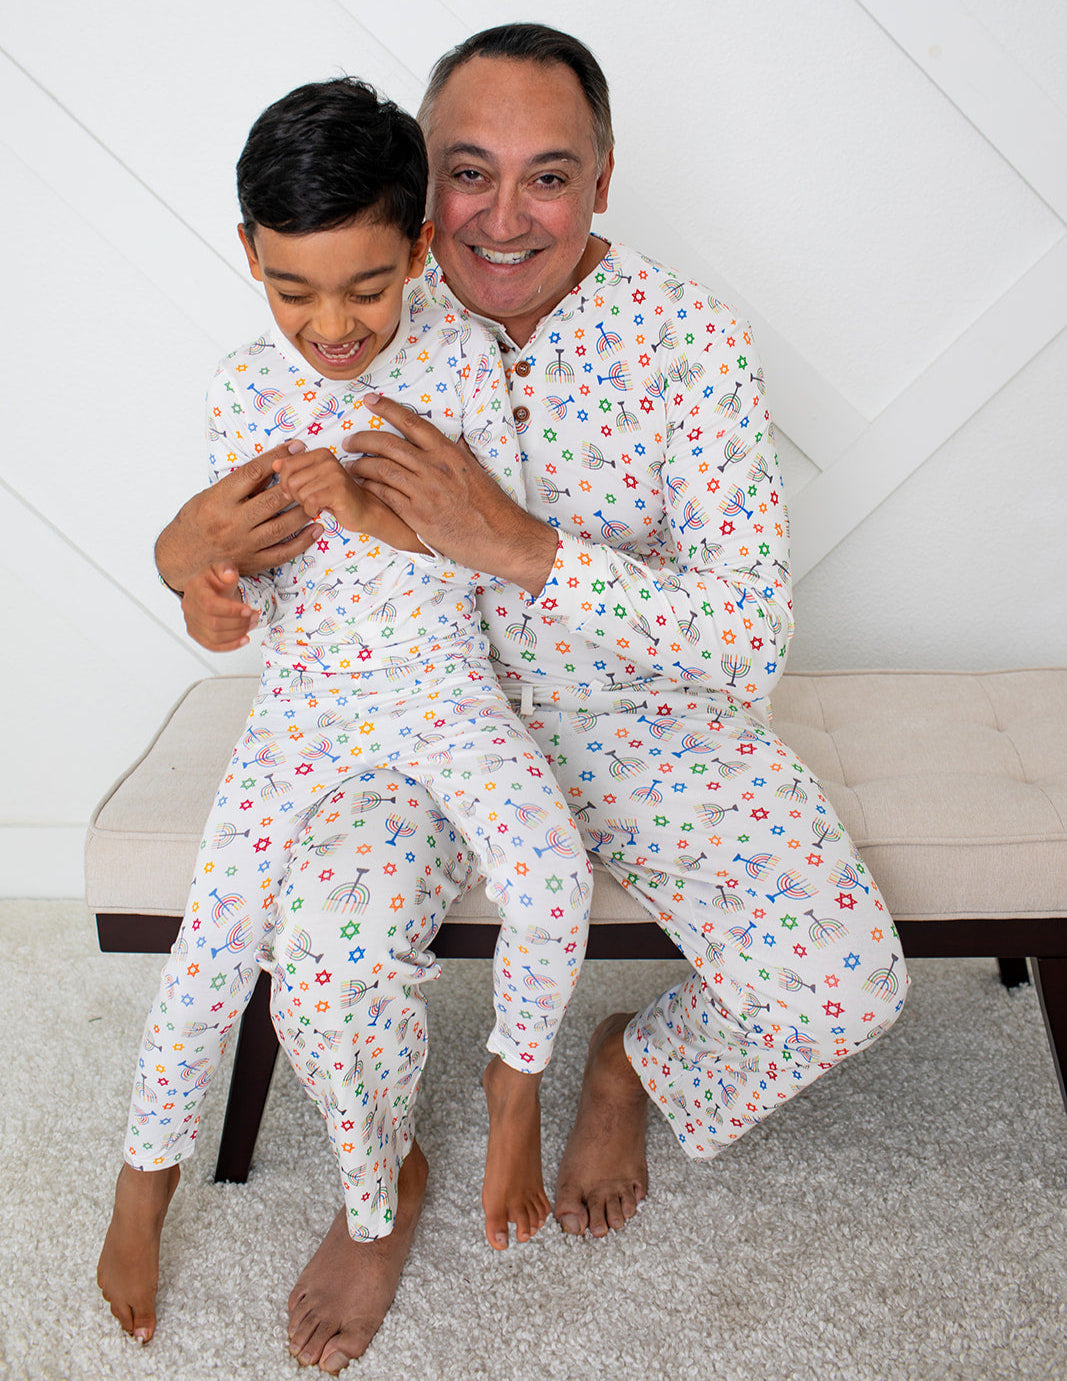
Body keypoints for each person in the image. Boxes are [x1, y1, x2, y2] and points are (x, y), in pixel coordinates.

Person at [151, 23, 909, 1373]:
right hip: (415, 723)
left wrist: (519, 545)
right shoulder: (353, 317)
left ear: (605, 179)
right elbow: (249, 578)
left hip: (646, 722)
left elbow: (747, 637)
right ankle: (378, 1182)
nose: (504, 217)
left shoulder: (691, 342)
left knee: (845, 981)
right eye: (467, 173)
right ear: (411, 182)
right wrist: (203, 576)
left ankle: (631, 1064)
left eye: (547, 176)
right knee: (320, 953)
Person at [97, 75, 595, 1364]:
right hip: (307, 708)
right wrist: (214, 603)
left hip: (445, 697)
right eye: (293, 291)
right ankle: (142, 1180)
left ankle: (510, 1086)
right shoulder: (241, 392)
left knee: (551, 880)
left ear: (419, 247)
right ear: (250, 254)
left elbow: (497, 565)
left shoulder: (464, 362)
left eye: (366, 288)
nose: (332, 327)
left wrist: (383, 517)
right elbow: (245, 596)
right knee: (211, 949)